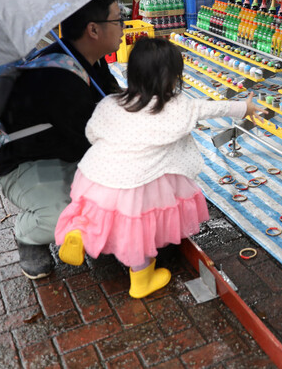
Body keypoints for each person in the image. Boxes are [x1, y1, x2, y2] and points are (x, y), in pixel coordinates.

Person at [55, 38, 259, 298]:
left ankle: (79, 233)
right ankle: (141, 280)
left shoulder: (110, 103)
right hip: (142, 181)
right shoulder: (178, 106)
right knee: (140, 229)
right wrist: (245, 108)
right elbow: (212, 108)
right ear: (172, 78)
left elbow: (92, 133)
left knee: (100, 212)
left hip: (100, 174)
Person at [0, 0, 123, 279]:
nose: (123, 26)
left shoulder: (92, 59)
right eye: (118, 19)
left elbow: (113, 101)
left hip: (68, 151)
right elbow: (95, 142)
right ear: (93, 30)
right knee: (66, 218)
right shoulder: (60, 79)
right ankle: (29, 233)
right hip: (26, 166)